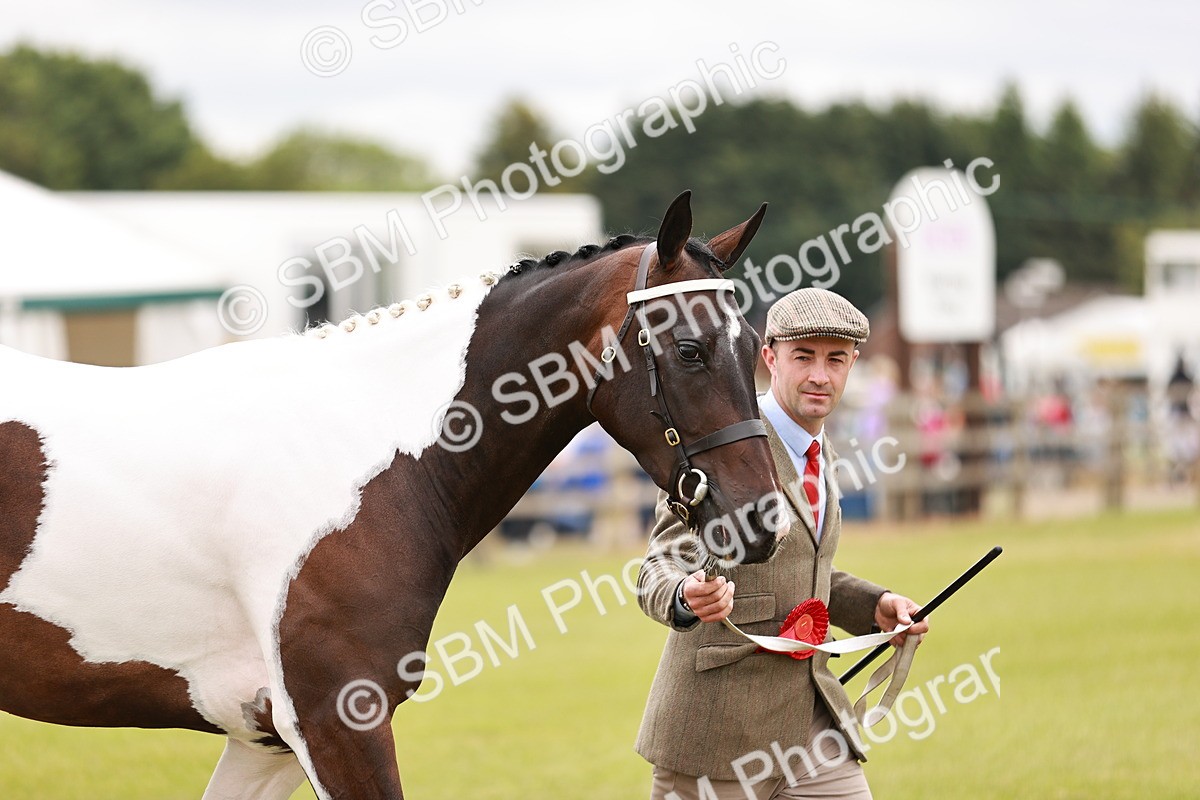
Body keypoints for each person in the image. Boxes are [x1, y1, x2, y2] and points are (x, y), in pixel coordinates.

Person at [636, 287, 929, 799]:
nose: (820, 375)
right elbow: (659, 566)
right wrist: (685, 596)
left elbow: (803, 570)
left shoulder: (821, 450)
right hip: (714, 735)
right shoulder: (722, 444)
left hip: (811, 727)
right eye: (804, 357)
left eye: (836, 359)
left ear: (853, 364)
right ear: (769, 358)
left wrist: (876, 606)